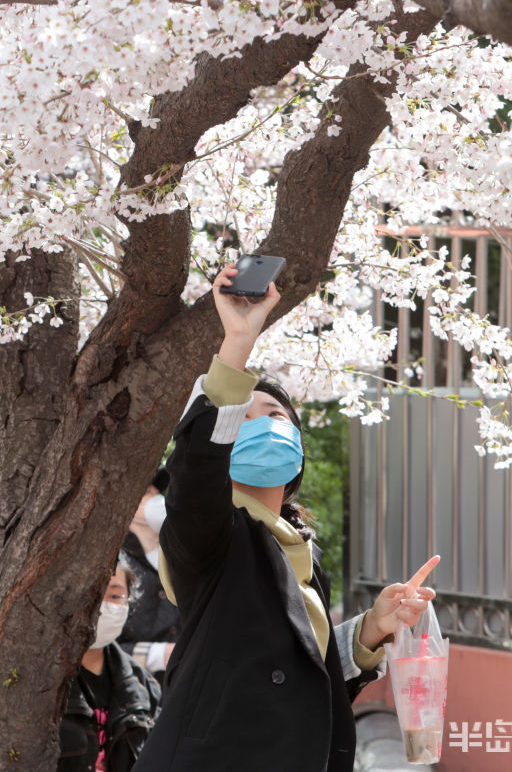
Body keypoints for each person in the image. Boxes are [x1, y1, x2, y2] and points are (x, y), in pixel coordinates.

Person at [132, 263, 439, 772]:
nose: (264, 425)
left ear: (297, 445)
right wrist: (238, 340)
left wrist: (370, 630)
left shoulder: (295, 548)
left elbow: (298, 671)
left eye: (275, 415)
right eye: (243, 416)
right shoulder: (210, 536)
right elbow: (195, 471)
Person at [59, 552, 161, 772]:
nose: (103, 606)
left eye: (115, 596)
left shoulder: (144, 686)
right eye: (93, 594)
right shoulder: (44, 681)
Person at [119, 469, 180, 683]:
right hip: (137, 689)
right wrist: (156, 655)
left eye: (156, 493)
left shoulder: (181, 555)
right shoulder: (115, 564)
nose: (154, 499)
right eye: (145, 492)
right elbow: (100, 648)